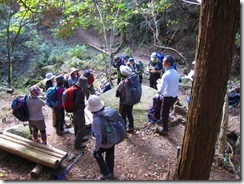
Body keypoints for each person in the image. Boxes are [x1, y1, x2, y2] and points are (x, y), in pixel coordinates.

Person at [86, 95, 115, 180]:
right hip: (112, 139)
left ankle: (106, 173)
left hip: (105, 142)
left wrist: (96, 149)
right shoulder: (107, 112)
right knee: (110, 154)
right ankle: (110, 171)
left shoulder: (96, 120)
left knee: (97, 154)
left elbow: (99, 137)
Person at [156, 55, 179, 136]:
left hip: (168, 97)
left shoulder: (166, 74)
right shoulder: (175, 72)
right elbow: (171, 83)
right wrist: (162, 81)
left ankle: (165, 130)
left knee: (164, 113)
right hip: (174, 96)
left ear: (168, 63)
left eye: (164, 61)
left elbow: (160, 90)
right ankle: (166, 121)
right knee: (167, 110)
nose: (162, 62)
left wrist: (158, 83)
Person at [115, 65, 136, 133]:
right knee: (129, 113)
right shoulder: (133, 80)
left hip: (123, 102)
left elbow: (117, 94)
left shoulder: (122, 83)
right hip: (131, 100)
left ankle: (123, 129)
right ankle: (131, 127)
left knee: (123, 115)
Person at [73, 77, 89, 149]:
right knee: (82, 127)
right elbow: (77, 104)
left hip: (74, 110)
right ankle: (77, 144)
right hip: (79, 111)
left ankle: (78, 138)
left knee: (76, 125)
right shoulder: (80, 92)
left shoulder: (74, 87)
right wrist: (84, 105)